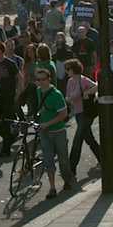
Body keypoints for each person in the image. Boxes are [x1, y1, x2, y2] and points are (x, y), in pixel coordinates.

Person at [34, 67, 75, 199]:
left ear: (49, 79)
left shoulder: (56, 94)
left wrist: (47, 124)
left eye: (43, 79)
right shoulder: (38, 91)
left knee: (63, 159)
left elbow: (63, 114)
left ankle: (67, 180)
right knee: (48, 160)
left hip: (58, 131)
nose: (40, 82)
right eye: (38, 80)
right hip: (45, 132)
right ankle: (52, 188)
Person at [65, 59, 100, 179]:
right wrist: (69, 99)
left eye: (68, 69)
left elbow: (96, 87)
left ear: (74, 69)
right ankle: (103, 158)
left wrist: (87, 92)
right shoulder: (70, 81)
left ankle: (71, 168)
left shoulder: (83, 79)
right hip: (78, 113)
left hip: (87, 113)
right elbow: (68, 97)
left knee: (78, 139)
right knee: (89, 139)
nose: (66, 71)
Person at [0, 42, 20, 156]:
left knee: (6, 121)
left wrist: (17, 93)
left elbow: (19, 78)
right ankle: (10, 136)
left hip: (9, 96)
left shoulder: (10, 63)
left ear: (0, 51)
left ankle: (6, 148)